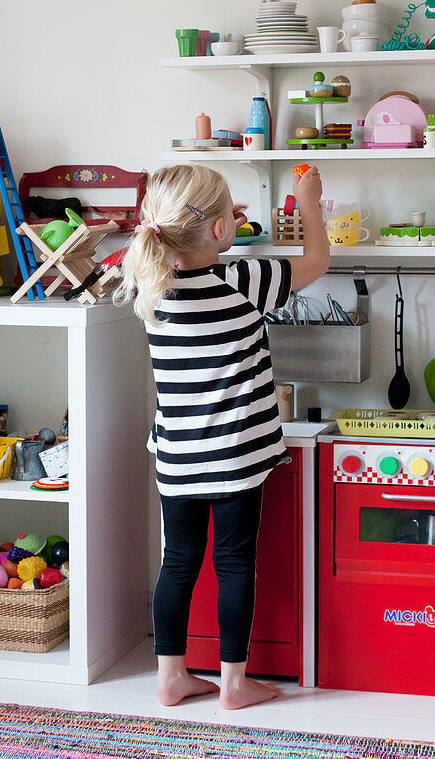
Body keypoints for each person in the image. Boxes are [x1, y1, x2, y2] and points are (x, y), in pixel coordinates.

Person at [114, 163, 329, 709]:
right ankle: (234, 684)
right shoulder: (241, 281)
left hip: (179, 457)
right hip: (237, 456)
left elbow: (184, 248)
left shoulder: (149, 281)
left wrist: (215, 228)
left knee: (178, 562)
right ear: (214, 230)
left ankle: (171, 677)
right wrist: (308, 200)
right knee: (234, 562)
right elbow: (317, 262)